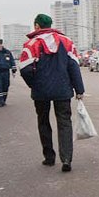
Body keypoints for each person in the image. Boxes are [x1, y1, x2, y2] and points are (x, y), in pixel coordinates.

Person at [19, 14, 85, 172]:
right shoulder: (67, 42)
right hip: (63, 90)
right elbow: (74, 67)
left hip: (41, 91)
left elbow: (25, 69)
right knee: (64, 123)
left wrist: (34, 85)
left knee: (43, 121)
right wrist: (79, 89)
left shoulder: (31, 44)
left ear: (36, 26)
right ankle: (66, 159)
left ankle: (49, 157)